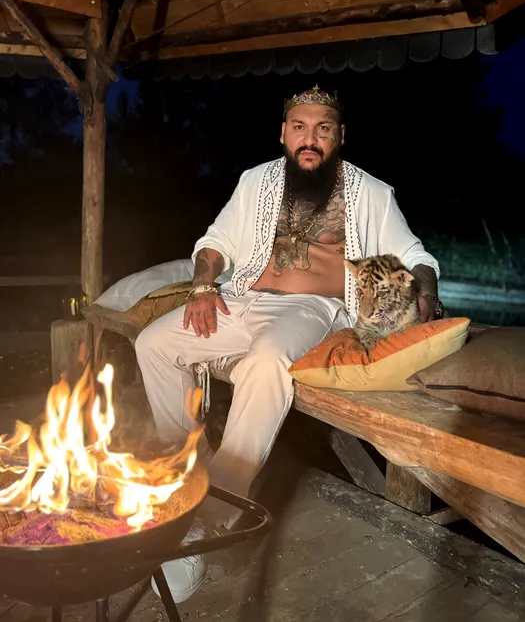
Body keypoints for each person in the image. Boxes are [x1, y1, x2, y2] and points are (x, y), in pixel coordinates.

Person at [135, 85, 443, 602]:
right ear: (283, 134)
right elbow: (215, 242)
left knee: (266, 362)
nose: (310, 139)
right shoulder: (255, 181)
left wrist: (426, 293)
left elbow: (416, 255)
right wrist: (204, 286)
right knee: (153, 343)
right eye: (299, 127)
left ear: (339, 136)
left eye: (323, 129)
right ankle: (188, 469)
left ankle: (207, 519)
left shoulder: (371, 193)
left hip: (310, 309)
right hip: (240, 297)